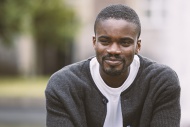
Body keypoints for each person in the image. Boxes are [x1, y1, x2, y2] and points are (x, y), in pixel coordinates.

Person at [45, 4, 181, 127]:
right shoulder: (64, 85)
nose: (114, 50)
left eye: (125, 43)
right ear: (94, 42)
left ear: (137, 46)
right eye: (105, 41)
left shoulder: (161, 82)